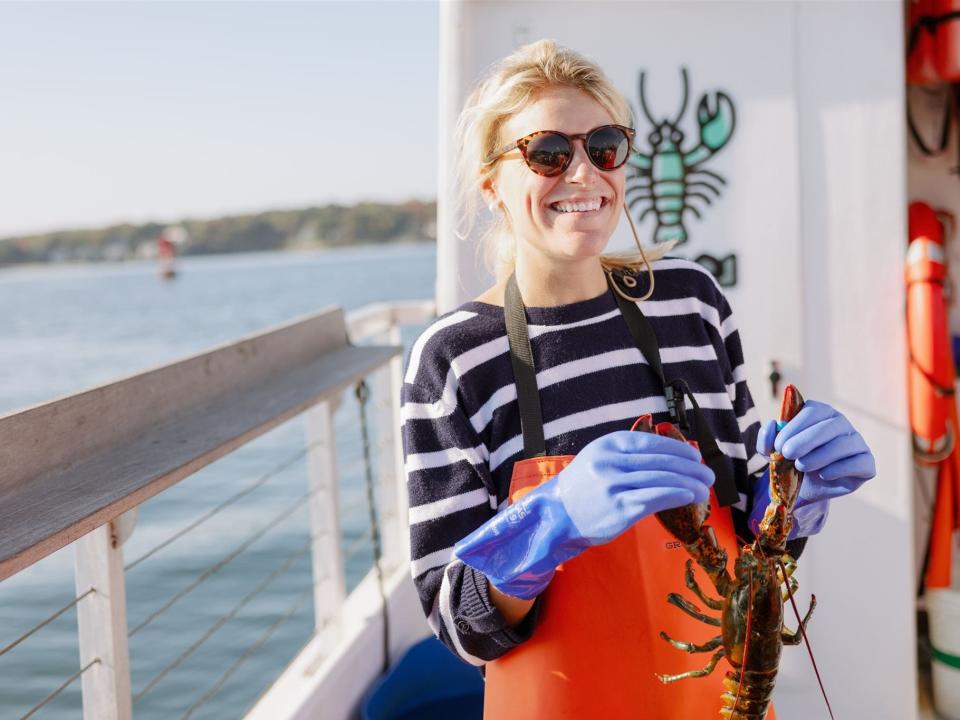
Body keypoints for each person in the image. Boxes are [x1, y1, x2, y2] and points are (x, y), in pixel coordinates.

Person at [400, 39, 876, 719]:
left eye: (604, 145)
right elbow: (457, 623)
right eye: (548, 154)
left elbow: (749, 534)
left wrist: (799, 500)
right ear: (491, 185)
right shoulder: (453, 359)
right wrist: (551, 521)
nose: (584, 172)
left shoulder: (691, 303)